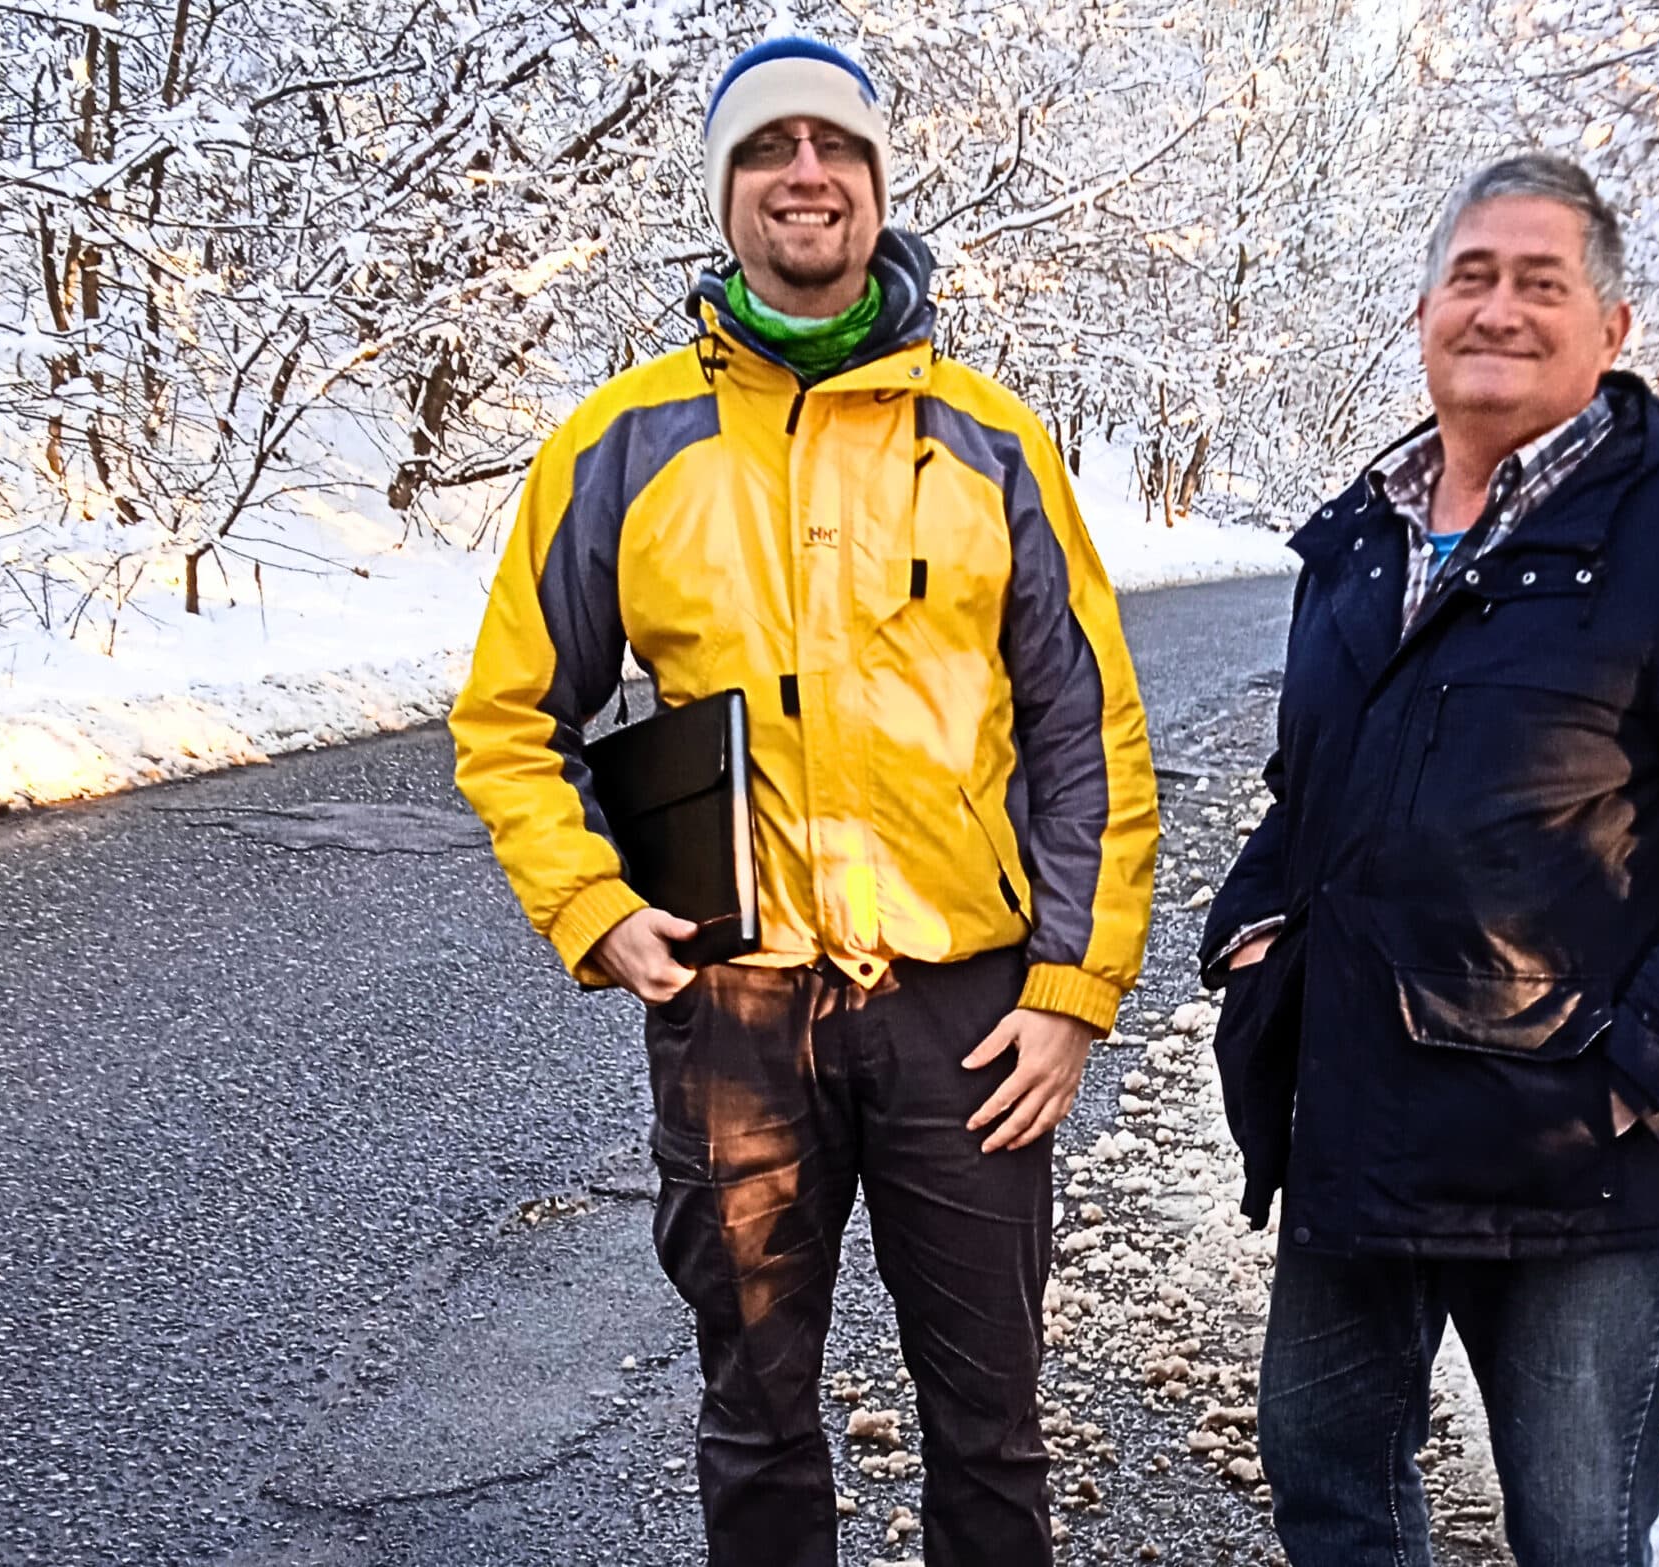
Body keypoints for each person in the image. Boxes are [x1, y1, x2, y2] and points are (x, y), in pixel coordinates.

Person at [449, 36, 1158, 1567]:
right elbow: (510, 717)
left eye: (833, 146)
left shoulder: (989, 443)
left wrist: (1071, 994)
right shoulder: (621, 443)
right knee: (756, 1417)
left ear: (879, 185)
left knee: (990, 1422)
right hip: (737, 1014)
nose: (805, 175)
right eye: (766, 149)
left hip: (962, 1011)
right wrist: (593, 903)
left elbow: (1089, 731)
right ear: (726, 194)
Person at [1198, 153, 1659, 1566]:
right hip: (1359, 1128)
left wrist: (1642, 1074)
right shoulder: (1364, 539)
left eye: (1540, 282)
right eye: (1473, 277)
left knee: (1575, 1530)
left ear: (1610, 328)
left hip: (1575, 1159)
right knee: (1329, 1479)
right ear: (1425, 309)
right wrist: (1250, 922)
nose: (1498, 309)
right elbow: (1307, 789)